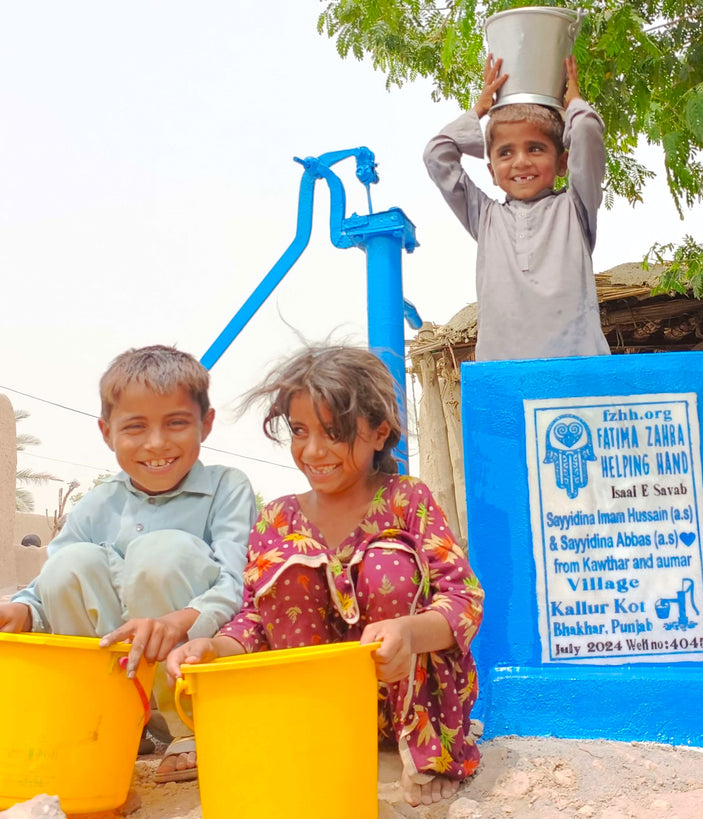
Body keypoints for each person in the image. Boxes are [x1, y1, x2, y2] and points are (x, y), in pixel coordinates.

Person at [166, 345, 484, 807]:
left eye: (334, 433)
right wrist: (213, 648)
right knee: (289, 569)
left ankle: (424, 752)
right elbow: (255, 619)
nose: (313, 451)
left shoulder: (407, 500)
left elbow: (464, 599)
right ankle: (315, 736)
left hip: (409, 703)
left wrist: (409, 634)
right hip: (318, 711)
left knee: (386, 564)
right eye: (299, 431)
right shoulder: (277, 518)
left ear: (380, 432)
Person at [0, 345, 257, 783]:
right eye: (135, 427)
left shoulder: (227, 488)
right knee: (70, 563)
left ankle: (189, 729)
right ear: (106, 432)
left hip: (191, 682)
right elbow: (45, 588)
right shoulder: (96, 505)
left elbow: (237, 583)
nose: (156, 443)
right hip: (119, 689)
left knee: (160, 552)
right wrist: (20, 610)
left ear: (205, 424)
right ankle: (111, 720)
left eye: (176, 423)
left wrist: (180, 620)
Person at [423, 54, 611, 361]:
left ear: (562, 162)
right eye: (506, 153)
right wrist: (480, 109)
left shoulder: (575, 208)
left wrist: (574, 102)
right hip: (504, 377)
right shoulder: (485, 218)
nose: (521, 161)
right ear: (492, 171)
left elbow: (587, 134)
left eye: (535, 148)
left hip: (577, 371)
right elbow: (436, 155)